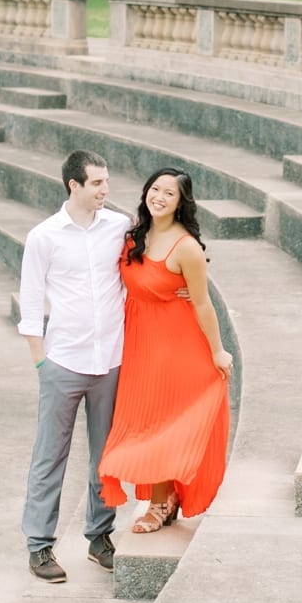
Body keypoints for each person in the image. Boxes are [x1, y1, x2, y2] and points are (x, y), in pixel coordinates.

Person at [98, 167, 232, 534]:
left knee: (162, 422)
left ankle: (159, 503)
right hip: (140, 342)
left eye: (168, 193)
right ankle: (165, 496)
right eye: (155, 189)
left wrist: (218, 352)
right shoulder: (132, 236)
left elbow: (203, 304)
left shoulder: (186, 247)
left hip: (177, 344)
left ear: (181, 203)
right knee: (145, 421)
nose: (159, 197)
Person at [18, 150, 129, 583]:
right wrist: (40, 361)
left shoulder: (119, 227)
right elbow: (30, 303)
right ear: (74, 186)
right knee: (50, 455)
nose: (106, 190)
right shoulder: (44, 236)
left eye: (106, 181)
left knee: (107, 456)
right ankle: (39, 546)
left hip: (110, 362)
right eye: (97, 183)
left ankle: (99, 537)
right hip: (63, 361)